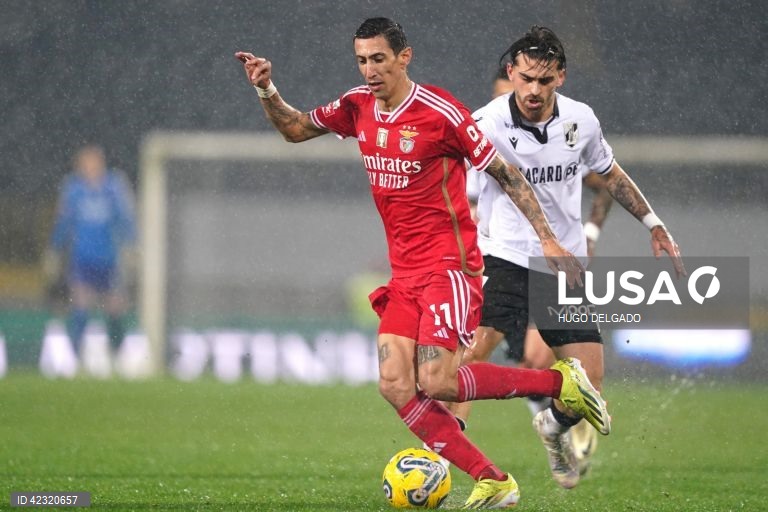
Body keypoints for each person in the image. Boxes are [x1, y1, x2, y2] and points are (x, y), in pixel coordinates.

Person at [235, 17, 609, 508]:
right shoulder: (357, 106)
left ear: (403, 57)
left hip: (450, 267)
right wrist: (267, 91)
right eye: (362, 61)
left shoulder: (441, 113)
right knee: (394, 384)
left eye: (379, 60)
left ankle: (560, 383)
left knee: (437, 379)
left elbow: (508, 175)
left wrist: (549, 240)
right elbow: (295, 128)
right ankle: (494, 479)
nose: (370, 70)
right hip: (405, 274)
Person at [449, 26, 684, 490]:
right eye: (526, 79)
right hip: (505, 255)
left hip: (562, 266)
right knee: (466, 359)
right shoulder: (487, 123)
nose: (534, 90)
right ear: (512, 74)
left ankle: (553, 426)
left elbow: (609, 175)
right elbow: (462, 188)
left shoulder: (582, 121)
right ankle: (442, 450)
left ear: (561, 76)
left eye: (544, 80)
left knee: (589, 386)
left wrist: (653, 224)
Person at [464, 64, 616, 472]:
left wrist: (590, 235)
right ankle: (446, 452)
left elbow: (606, 187)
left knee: (540, 358)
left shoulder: (556, 141)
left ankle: (557, 430)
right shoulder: (483, 137)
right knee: (475, 359)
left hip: (549, 265)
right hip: (497, 263)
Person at [44, 144, 137, 359]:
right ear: (80, 166)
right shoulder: (74, 190)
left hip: (109, 259)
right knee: (80, 305)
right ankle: (74, 357)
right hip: (82, 259)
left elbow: (125, 219)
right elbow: (64, 222)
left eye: (95, 162)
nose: (91, 167)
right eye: (86, 163)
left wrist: (132, 245)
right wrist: (54, 249)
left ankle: (118, 354)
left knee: (115, 309)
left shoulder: (113, 188)